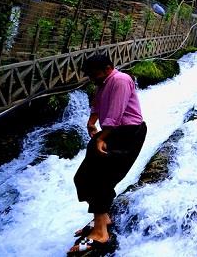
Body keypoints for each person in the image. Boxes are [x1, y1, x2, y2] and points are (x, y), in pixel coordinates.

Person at [69, 54, 147, 254]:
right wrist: (91, 122)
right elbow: (98, 103)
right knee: (82, 178)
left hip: (127, 133)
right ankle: (102, 218)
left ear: (108, 68)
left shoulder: (120, 80)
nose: (91, 78)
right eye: (89, 75)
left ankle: (101, 234)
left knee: (100, 179)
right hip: (113, 132)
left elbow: (115, 113)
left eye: (93, 74)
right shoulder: (103, 82)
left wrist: (101, 138)